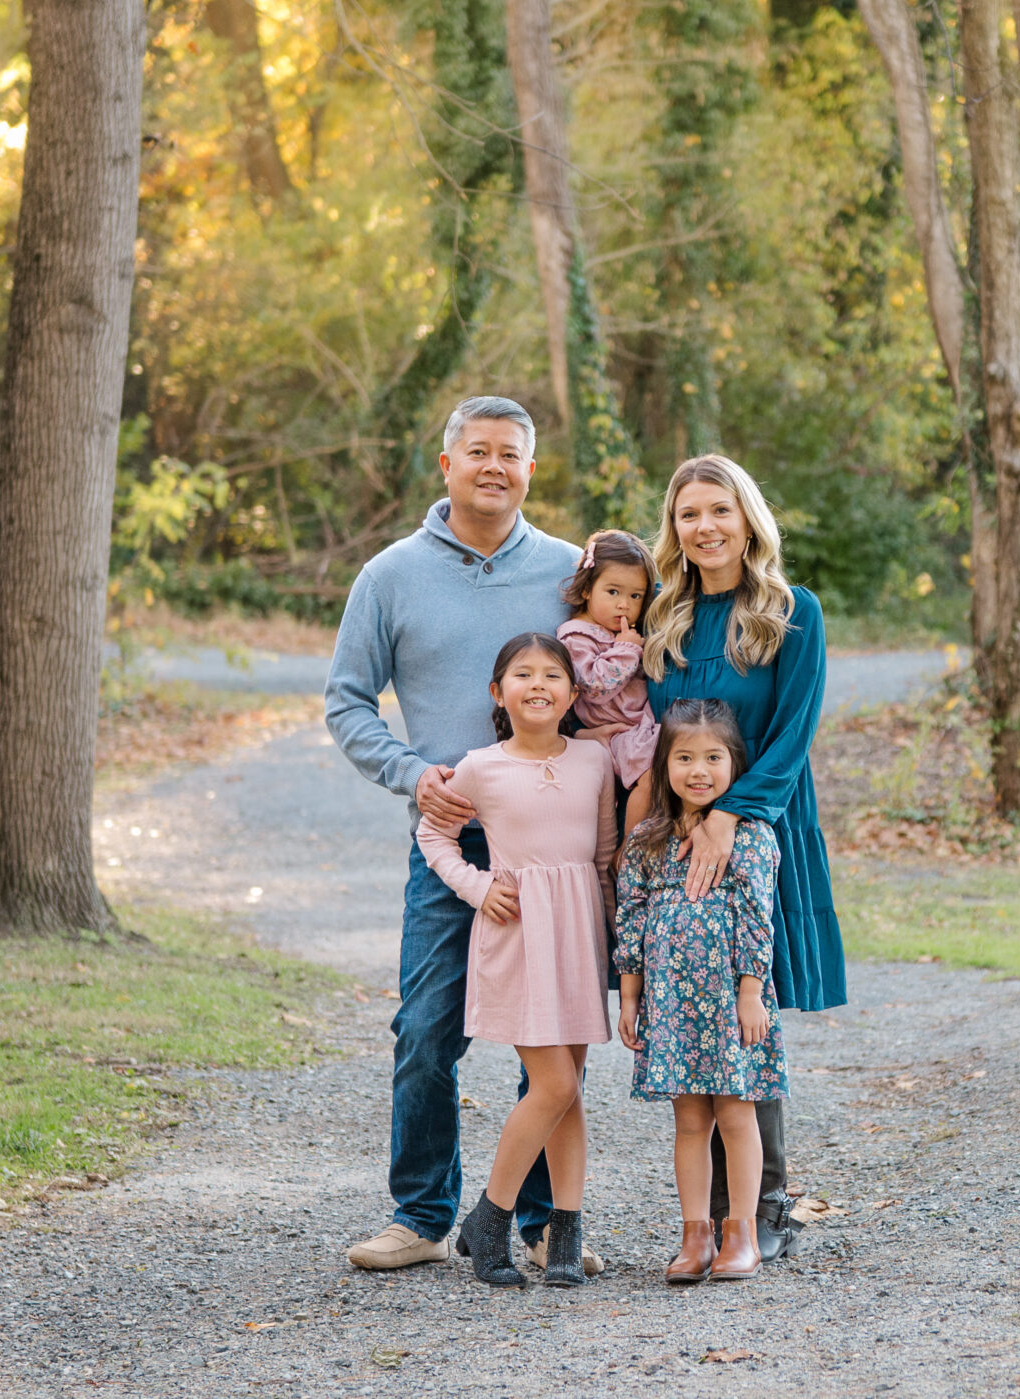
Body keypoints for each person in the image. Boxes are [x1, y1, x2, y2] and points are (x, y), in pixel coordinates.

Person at [324, 398, 598, 1275]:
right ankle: (421, 1212)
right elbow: (347, 700)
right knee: (426, 1027)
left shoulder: (568, 572)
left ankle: (543, 1225)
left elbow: (618, 690)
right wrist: (416, 775)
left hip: (550, 850)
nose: (493, 466)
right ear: (444, 465)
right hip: (450, 842)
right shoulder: (391, 574)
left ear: (529, 470)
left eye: (509, 454)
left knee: (553, 1039)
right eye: (476, 451)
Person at [639, 452, 844, 1258]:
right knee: (699, 1007)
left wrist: (729, 815)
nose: (705, 526)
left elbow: (794, 733)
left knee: (747, 1007)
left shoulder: (793, 612)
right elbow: (644, 731)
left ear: (747, 516)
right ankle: (713, 1216)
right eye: (689, 514)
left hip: (761, 825)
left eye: (719, 509)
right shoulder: (663, 619)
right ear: (675, 528)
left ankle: (762, 1209)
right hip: (676, 835)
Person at [414, 634, 616, 1287]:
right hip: (521, 934)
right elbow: (433, 833)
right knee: (552, 1084)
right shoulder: (480, 766)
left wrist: (620, 946)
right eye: (521, 674)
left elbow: (607, 855)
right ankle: (490, 1220)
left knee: (569, 1093)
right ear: (498, 693)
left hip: (580, 935)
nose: (538, 684)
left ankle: (565, 1236)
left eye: (552, 674)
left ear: (573, 692)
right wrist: (476, 886)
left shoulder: (595, 759)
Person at [614, 698, 787, 1284]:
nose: (699, 771)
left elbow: (759, 919)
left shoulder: (753, 837)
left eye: (713, 757)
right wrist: (630, 997)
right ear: (664, 764)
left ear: (735, 763)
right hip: (670, 1005)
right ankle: (696, 1236)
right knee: (689, 1122)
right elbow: (631, 920)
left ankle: (743, 1234)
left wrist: (750, 993)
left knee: (737, 1116)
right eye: (685, 757)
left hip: (729, 1002)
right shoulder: (644, 841)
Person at [556, 529, 661, 834]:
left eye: (635, 595)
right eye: (613, 592)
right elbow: (594, 686)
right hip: (614, 734)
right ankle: (630, 847)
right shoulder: (576, 635)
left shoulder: (619, 632)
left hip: (638, 728)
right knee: (651, 775)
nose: (624, 605)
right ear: (587, 589)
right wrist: (627, 649)